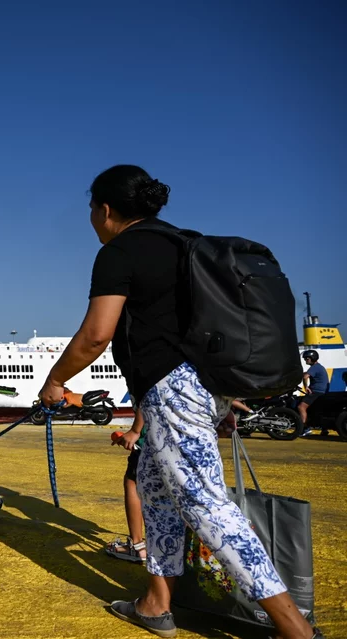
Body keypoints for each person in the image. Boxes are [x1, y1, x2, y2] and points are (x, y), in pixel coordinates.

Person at [38, 165, 315, 639]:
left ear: (105, 209)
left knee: (206, 505)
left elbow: (96, 335)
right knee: (155, 491)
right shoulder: (186, 243)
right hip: (199, 386)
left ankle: (295, 629)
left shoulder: (120, 251)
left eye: (91, 208)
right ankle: (156, 603)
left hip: (173, 391)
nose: (91, 218)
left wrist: (55, 380)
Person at [106, 406, 147, 563]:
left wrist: (135, 431)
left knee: (132, 482)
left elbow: (148, 398)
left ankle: (137, 546)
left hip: (151, 441)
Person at [299, 350, 328, 434]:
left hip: (316, 392)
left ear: (313, 358)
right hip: (321, 392)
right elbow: (305, 374)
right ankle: (324, 429)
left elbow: (305, 377)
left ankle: (304, 428)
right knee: (315, 410)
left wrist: (306, 387)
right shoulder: (319, 367)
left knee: (301, 407)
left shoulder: (314, 367)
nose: (305, 360)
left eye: (307, 358)